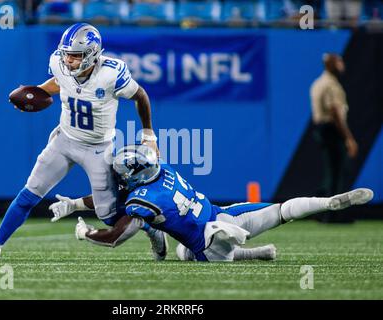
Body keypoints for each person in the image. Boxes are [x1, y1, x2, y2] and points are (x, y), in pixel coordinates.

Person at [0, 23, 167, 262]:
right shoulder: (58, 62)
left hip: (98, 148)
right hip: (65, 140)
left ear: (92, 55)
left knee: (109, 216)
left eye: (75, 56)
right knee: (29, 194)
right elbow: (59, 83)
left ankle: (151, 229)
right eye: (66, 54)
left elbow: (140, 95)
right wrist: (38, 91)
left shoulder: (112, 73)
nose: (68, 60)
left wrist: (148, 135)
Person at [55, 144, 373, 262]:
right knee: (283, 209)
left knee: (184, 249)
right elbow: (118, 198)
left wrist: (85, 233)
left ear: (133, 177)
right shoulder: (162, 168)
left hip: (208, 245)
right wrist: (74, 204)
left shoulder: (141, 200)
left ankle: (231, 247)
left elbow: (114, 237)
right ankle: (328, 201)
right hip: (220, 213)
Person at [310, 54, 358, 209]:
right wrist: (348, 138)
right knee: (337, 172)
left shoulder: (318, 82)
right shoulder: (330, 84)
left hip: (322, 129)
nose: (342, 65)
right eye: (339, 62)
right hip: (331, 129)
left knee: (331, 171)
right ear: (330, 64)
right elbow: (335, 112)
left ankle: (321, 210)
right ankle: (332, 212)